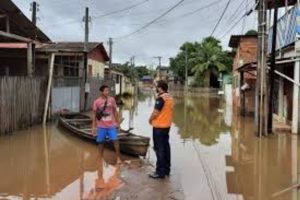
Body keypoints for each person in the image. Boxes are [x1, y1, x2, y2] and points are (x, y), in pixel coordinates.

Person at [148, 80, 174, 179]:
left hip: (159, 127)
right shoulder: (169, 97)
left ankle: (160, 172)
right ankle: (167, 169)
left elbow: (156, 112)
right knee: (166, 147)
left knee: (159, 149)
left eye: (156, 86)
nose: (155, 88)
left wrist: (150, 120)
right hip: (167, 126)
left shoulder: (161, 98)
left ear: (159, 88)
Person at [92, 85, 122, 165]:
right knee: (101, 142)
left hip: (111, 125)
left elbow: (115, 111)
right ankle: (101, 157)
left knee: (115, 140)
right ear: (101, 92)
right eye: (105, 91)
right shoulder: (97, 102)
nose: (107, 92)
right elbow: (94, 115)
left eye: (108, 91)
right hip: (101, 126)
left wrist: (118, 123)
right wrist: (93, 127)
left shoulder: (112, 100)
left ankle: (118, 158)